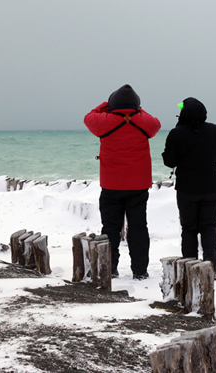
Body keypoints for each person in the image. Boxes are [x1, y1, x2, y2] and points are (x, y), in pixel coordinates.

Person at [84, 84, 161, 280]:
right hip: (138, 185)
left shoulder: (103, 121)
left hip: (111, 184)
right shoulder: (145, 122)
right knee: (138, 228)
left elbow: (89, 116)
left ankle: (110, 268)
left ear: (112, 104)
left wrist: (106, 106)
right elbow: (155, 123)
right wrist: (137, 110)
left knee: (110, 228)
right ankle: (140, 270)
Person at [162, 97, 216, 279]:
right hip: (211, 186)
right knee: (209, 227)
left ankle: (190, 267)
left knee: (189, 228)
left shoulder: (176, 133)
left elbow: (169, 161)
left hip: (187, 189)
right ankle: (212, 267)